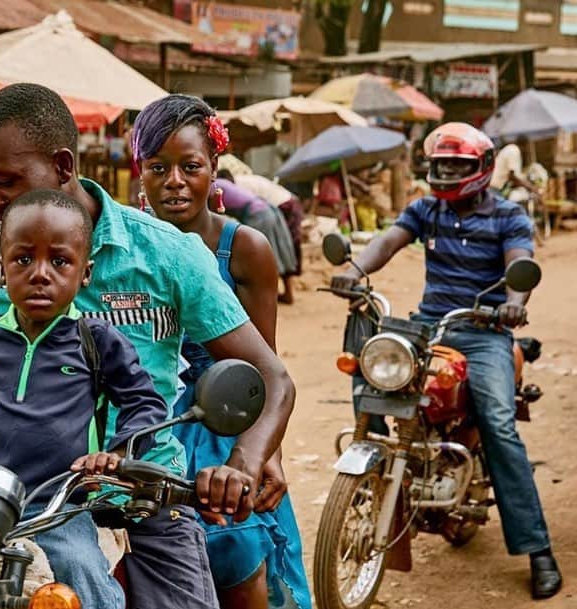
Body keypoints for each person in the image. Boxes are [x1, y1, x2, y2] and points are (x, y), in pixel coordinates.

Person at [0, 83, 296, 609]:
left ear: (63, 166)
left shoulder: (165, 252)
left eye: (5, 182)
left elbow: (269, 375)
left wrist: (243, 465)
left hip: (144, 498)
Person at [330, 122, 562, 600]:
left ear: (483, 168)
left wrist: (513, 301)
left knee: (498, 422)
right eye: (441, 165)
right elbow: (388, 241)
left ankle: (538, 550)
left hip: (485, 332)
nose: (447, 172)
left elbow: (521, 262)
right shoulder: (425, 209)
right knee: (374, 377)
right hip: (429, 325)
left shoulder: (508, 216)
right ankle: (378, 480)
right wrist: (353, 271)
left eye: (457, 166)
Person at [0, 189, 169, 609]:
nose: (40, 274)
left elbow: (144, 403)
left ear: (84, 273)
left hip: (57, 508)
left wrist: (117, 453)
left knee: (82, 570)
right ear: (2, 269)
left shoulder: (96, 340)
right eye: (23, 259)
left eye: (59, 261)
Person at [133, 94, 311, 609]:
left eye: (190, 167)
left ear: (214, 168)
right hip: (149, 424)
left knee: (235, 552)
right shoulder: (125, 248)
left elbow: (265, 367)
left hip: (224, 427)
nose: (174, 181)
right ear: (139, 173)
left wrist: (265, 455)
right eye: (157, 167)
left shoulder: (246, 248)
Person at [212, 173, 299, 304]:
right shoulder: (227, 184)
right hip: (270, 211)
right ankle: (286, 293)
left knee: (255, 258)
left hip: (258, 214)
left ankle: (261, 297)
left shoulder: (214, 187)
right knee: (278, 252)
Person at [220, 168, 304, 276]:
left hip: (280, 205)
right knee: (280, 247)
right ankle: (284, 288)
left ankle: (275, 285)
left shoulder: (230, 185)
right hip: (275, 208)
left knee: (267, 251)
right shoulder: (239, 183)